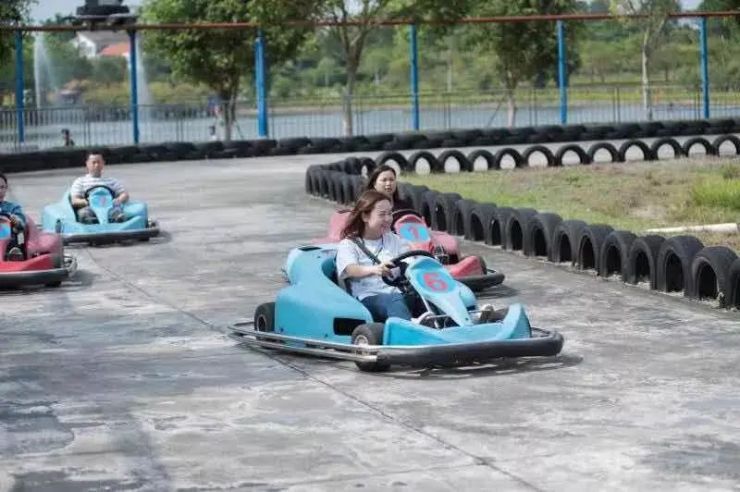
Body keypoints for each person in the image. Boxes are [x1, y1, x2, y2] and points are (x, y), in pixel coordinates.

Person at [336, 190, 427, 323]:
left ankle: (450, 329)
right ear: (365, 216)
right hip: (369, 297)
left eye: (390, 213)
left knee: (430, 297)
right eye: (382, 214)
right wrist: (374, 270)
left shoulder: (395, 240)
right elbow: (350, 269)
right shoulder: (349, 244)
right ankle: (405, 334)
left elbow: (410, 262)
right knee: (395, 301)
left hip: (400, 293)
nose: (388, 219)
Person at [70, 153, 129, 224]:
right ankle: (89, 226)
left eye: (99, 162)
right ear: (87, 164)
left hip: (110, 206)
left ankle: (119, 224)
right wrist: (86, 202)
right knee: (84, 214)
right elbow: (74, 200)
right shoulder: (80, 181)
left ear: (103, 163)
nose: (96, 165)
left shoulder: (111, 181)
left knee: (118, 213)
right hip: (89, 207)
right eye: (94, 162)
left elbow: (124, 194)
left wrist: (117, 200)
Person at [0, 172, 27, 261]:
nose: (0, 191)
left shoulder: (12, 207)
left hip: (9, 240)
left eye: (2, 187)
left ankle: (13, 255)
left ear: (6, 188)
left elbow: (21, 223)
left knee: (13, 229)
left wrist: (12, 218)